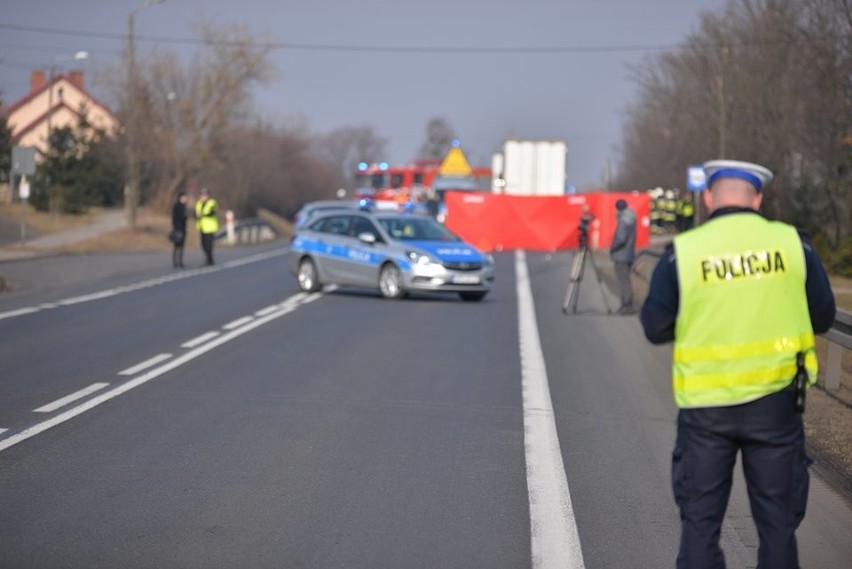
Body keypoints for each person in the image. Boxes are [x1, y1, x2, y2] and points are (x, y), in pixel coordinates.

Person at [640, 159, 836, 569]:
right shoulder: (793, 245)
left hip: (706, 408)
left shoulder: (685, 252)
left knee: (700, 523)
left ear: (709, 197)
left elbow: (655, 327)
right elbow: (822, 316)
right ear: (758, 198)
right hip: (777, 406)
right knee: (778, 526)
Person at [610, 198, 637, 314]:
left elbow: (620, 238)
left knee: (624, 281)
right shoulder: (632, 218)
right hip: (629, 253)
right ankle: (628, 305)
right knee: (626, 281)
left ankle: (626, 306)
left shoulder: (623, 221)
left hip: (621, 255)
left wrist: (612, 248)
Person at [195, 188, 220, 266]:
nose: (203, 197)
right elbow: (195, 213)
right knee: (203, 244)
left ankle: (210, 259)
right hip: (202, 227)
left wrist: (203, 215)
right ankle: (208, 258)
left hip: (210, 227)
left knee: (208, 245)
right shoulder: (198, 203)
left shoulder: (212, 203)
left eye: (205, 195)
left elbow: (212, 212)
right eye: (202, 195)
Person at [170, 191, 188, 268]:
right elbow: (175, 219)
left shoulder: (184, 206)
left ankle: (179, 261)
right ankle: (176, 262)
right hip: (178, 228)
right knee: (177, 245)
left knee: (181, 246)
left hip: (183, 228)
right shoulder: (177, 206)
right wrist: (177, 227)